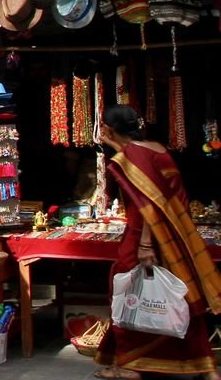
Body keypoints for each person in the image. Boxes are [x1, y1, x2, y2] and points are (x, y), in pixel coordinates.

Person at [93, 105, 221, 380]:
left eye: (104, 125)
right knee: (184, 296)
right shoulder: (156, 149)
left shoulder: (132, 156)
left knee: (128, 292)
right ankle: (205, 365)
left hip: (146, 234)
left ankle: (130, 365)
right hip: (177, 234)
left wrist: (146, 243)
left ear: (111, 128)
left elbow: (148, 204)